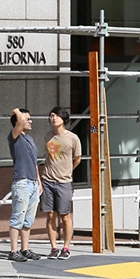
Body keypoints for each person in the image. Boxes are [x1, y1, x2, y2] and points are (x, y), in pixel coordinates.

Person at [41, 107, 82, 259]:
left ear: (64, 119)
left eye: (57, 116)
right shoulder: (48, 136)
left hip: (64, 182)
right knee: (50, 215)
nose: (54, 118)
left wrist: (69, 170)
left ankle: (66, 247)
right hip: (47, 180)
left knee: (65, 216)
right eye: (51, 116)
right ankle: (53, 247)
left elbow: (77, 158)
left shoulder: (73, 138)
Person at [7, 107, 43, 263]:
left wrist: (39, 182)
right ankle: (13, 251)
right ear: (18, 122)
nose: (30, 121)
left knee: (28, 219)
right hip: (21, 182)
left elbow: (34, 163)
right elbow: (19, 120)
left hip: (33, 183)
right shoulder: (14, 136)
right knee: (18, 218)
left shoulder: (30, 139)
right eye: (27, 119)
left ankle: (25, 249)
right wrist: (16, 111)